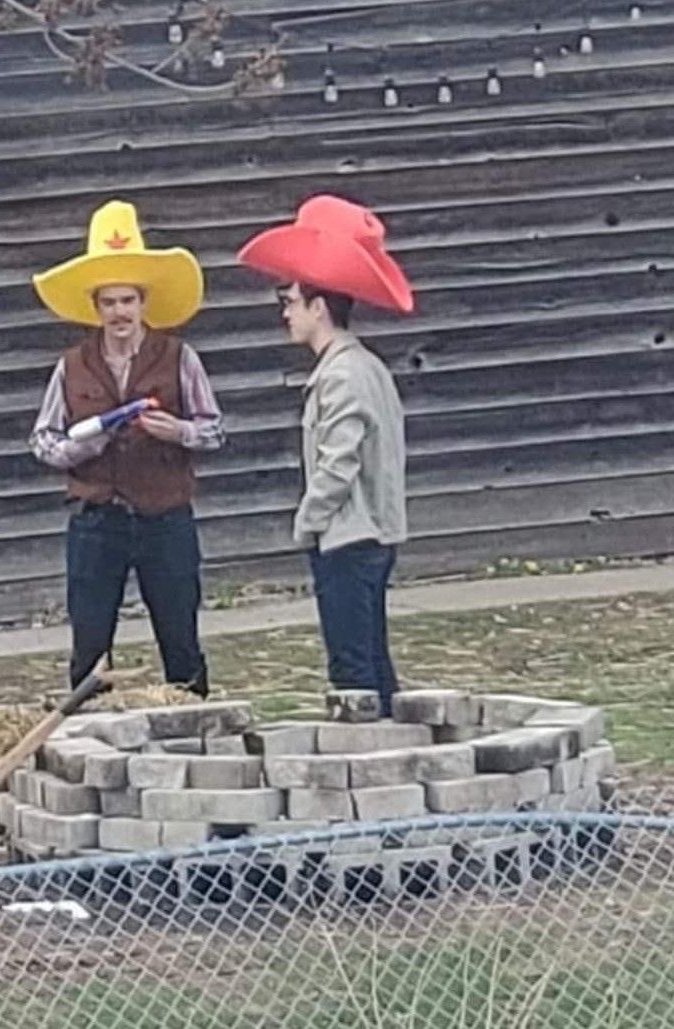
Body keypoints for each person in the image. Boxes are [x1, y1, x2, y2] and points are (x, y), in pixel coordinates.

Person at [29, 199, 224, 696]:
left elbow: (214, 429)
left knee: (180, 639)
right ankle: (89, 743)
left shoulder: (180, 357)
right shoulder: (71, 365)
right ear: (95, 307)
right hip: (97, 521)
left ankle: (194, 734)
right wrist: (82, 448)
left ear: (143, 303)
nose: (119, 312)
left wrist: (176, 431)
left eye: (128, 300)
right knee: (90, 646)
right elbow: (44, 441)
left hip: (166, 518)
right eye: (110, 302)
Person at [237, 195, 414, 717]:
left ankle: (368, 757)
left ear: (319, 307)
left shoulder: (342, 374)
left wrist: (307, 521)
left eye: (291, 300)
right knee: (373, 660)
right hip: (370, 533)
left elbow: (340, 463)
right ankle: (392, 743)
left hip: (349, 536)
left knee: (352, 668)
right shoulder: (366, 367)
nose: (285, 312)